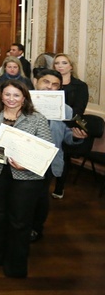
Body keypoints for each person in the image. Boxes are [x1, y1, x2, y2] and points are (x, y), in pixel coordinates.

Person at [0, 80, 53, 278]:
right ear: (1, 96)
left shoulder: (37, 119)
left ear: (24, 97)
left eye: (16, 95)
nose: (11, 99)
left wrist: (26, 164)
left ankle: (15, 265)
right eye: (7, 94)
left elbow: (47, 148)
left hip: (26, 176)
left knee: (20, 220)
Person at [30, 69, 88, 242]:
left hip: (49, 160)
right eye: (46, 82)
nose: (50, 87)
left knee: (41, 197)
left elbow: (67, 138)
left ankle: (35, 229)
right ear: (36, 83)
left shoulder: (67, 110)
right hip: (24, 158)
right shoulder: (21, 104)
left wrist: (77, 137)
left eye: (55, 85)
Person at [51, 53, 91, 199]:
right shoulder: (51, 84)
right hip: (50, 124)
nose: (60, 66)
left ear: (71, 66)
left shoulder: (80, 86)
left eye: (64, 63)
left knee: (64, 152)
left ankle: (59, 186)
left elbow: (78, 111)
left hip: (68, 124)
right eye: (57, 63)